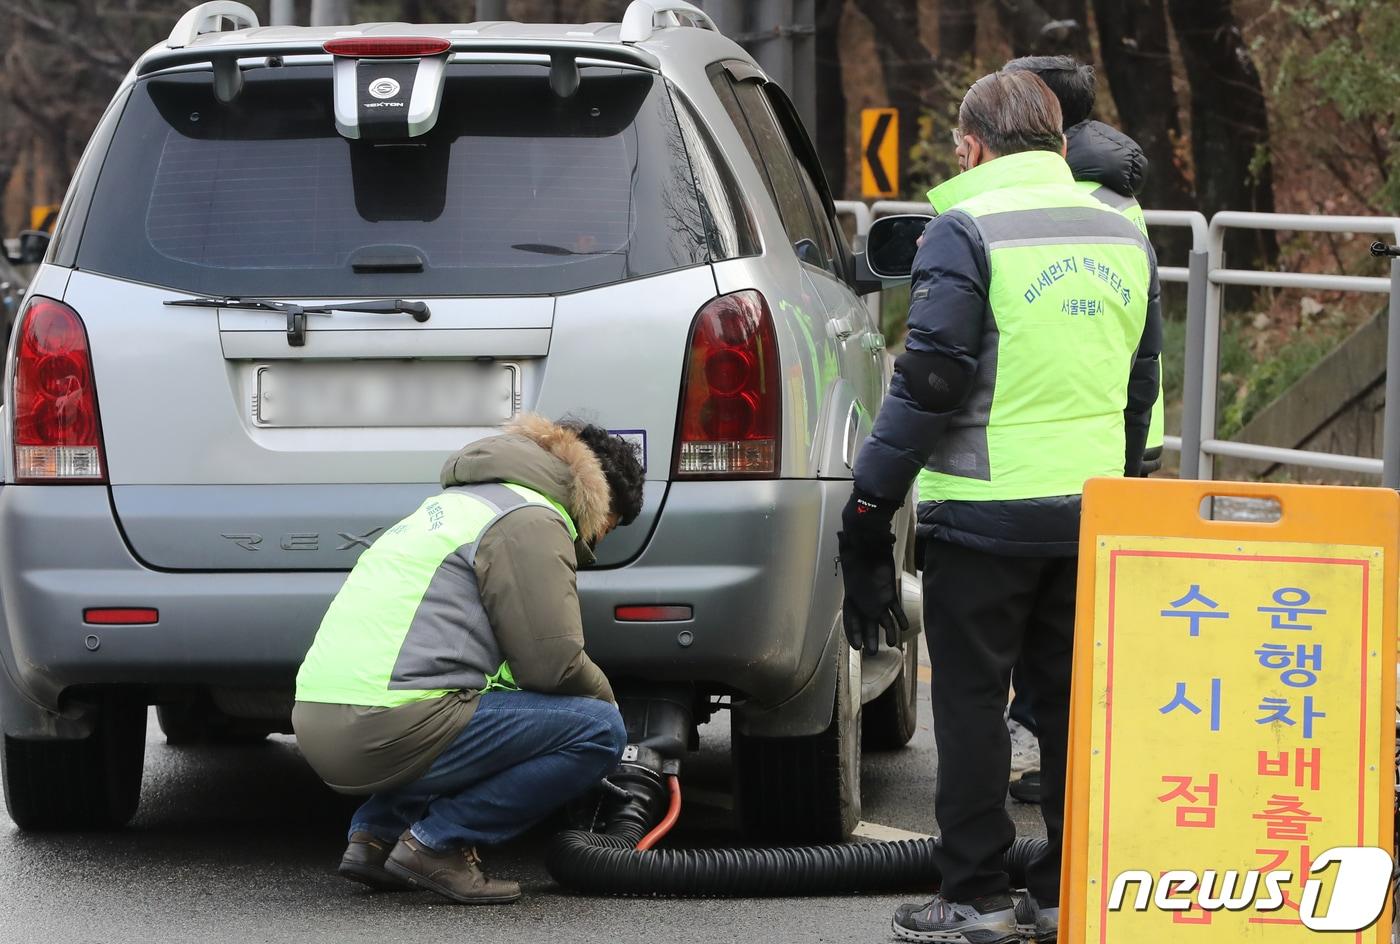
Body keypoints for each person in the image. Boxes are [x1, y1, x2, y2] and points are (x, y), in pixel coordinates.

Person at [839, 70, 1159, 944]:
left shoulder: (965, 228)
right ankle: (1062, 892)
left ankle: (976, 893)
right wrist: (1123, 486)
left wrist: (871, 501)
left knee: (975, 704)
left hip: (984, 513)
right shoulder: (1125, 230)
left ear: (969, 148)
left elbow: (932, 379)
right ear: (1060, 147)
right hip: (1090, 509)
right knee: (1067, 709)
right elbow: (1141, 386)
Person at [292, 414, 644, 905]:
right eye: (610, 526)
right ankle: (437, 845)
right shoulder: (531, 520)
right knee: (597, 729)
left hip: (322, 720)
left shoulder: (456, 506)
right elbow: (553, 664)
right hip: (385, 726)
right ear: (599, 498)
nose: (599, 540)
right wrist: (617, 718)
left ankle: (375, 837)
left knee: (481, 706)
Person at [999, 55, 1166, 806]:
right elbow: (1148, 340)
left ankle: (1046, 743)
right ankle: (1066, 746)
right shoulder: (1121, 193)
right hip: (1117, 426)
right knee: (1084, 611)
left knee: (1048, 617)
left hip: (1059, 433)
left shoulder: (1054, 192)